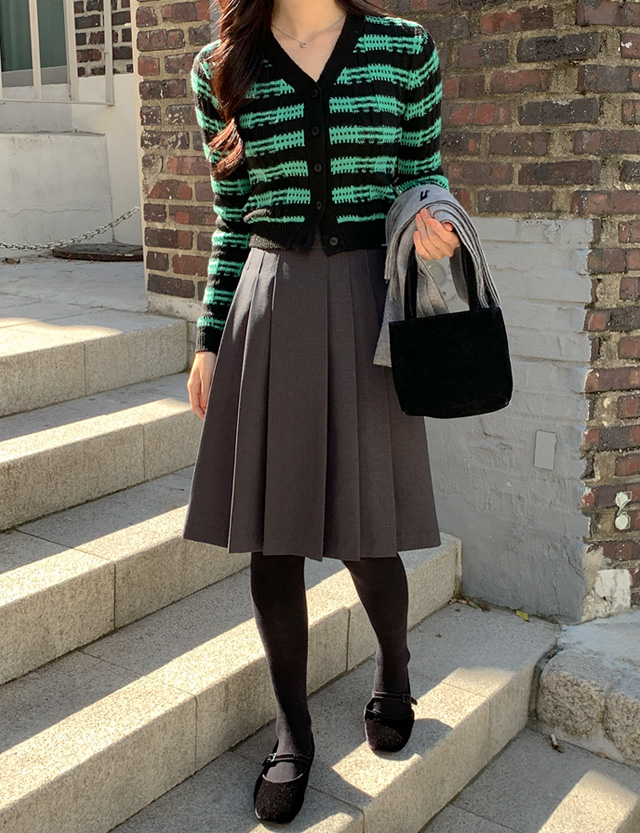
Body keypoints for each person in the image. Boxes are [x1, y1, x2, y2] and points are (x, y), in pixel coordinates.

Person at [182, 0, 460, 823]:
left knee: (368, 535)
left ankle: (394, 669)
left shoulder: (403, 51)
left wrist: (436, 221)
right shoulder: (221, 66)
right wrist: (208, 338)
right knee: (272, 540)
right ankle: (292, 732)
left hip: (369, 305)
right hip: (269, 307)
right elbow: (232, 217)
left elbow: (425, 175)